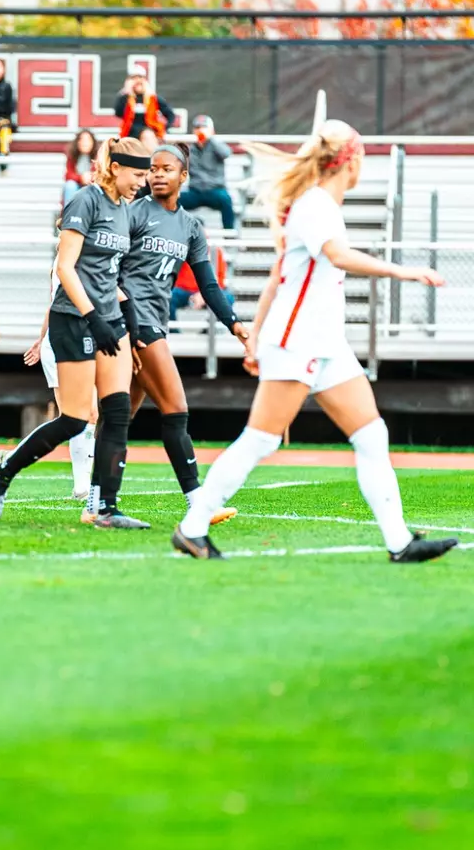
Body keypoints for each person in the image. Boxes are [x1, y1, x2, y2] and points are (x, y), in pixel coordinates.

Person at [172, 120, 456, 563]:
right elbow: (337, 256)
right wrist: (405, 270)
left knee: (372, 435)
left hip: (323, 341)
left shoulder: (316, 205)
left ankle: (399, 541)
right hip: (300, 339)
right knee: (260, 441)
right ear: (352, 160)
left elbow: (276, 278)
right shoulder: (317, 206)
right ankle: (192, 529)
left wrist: (255, 339)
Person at [0, 137, 151, 529]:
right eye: (137, 174)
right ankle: (5, 470)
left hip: (109, 318)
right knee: (75, 419)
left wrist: (130, 318)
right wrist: (93, 316)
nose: (142, 183)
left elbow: (110, 274)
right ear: (115, 168)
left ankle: (103, 508)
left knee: (116, 412)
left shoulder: (125, 210)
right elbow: (65, 267)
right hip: (74, 319)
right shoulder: (85, 200)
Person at [123, 144, 248, 524]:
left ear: (184, 177)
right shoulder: (132, 214)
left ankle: (15, 469)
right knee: (175, 408)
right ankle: (198, 501)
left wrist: (236, 324)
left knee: (113, 419)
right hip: (134, 323)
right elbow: (107, 269)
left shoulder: (191, 227)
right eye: (152, 169)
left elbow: (209, 286)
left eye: (166, 169)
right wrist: (122, 326)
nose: (158, 174)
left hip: (157, 321)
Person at [178, 114, 236, 230]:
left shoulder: (216, 146)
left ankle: (230, 235)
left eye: (204, 127)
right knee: (173, 200)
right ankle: (178, 232)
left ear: (212, 130)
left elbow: (226, 153)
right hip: (195, 191)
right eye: (197, 128)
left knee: (226, 200)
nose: (200, 130)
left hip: (215, 190)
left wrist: (210, 138)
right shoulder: (190, 150)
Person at [114, 67, 174, 150]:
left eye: (140, 77)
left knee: (147, 136)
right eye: (134, 78)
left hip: (148, 131)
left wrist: (164, 129)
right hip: (130, 132)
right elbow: (118, 113)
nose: (137, 81)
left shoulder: (153, 98)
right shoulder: (125, 98)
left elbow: (170, 114)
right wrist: (126, 93)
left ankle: (153, 160)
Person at [62, 129, 95, 205]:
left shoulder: (98, 157)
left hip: (92, 186)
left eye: (88, 140)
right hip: (76, 187)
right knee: (70, 185)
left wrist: (91, 178)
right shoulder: (72, 156)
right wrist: (81, 178)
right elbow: (68, 175)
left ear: (93, 142)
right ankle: (69, 214)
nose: (85, 143)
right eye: (82, 140)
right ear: (77, 142)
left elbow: (102, 175)